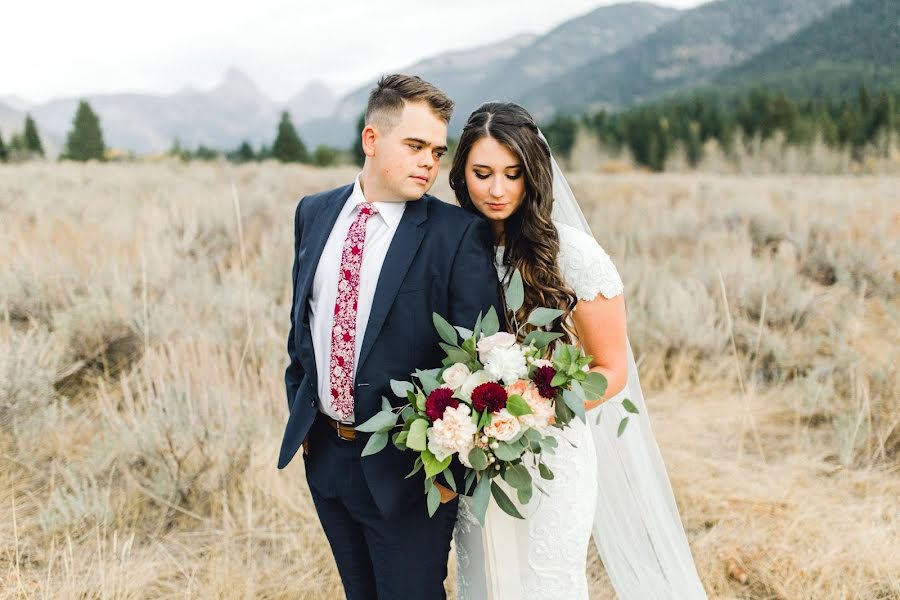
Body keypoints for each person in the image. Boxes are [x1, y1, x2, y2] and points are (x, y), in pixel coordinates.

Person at [450, 102, 708, 599]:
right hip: (475, 453)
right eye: (482, 174)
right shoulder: (453, 248)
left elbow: (611, 369)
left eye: (512, 174)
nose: (497, 190)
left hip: (553, 455)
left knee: (544, 584)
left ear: (534, 175)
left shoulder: (572, 254)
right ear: (462, 173)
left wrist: (533, 413)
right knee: (484, 583)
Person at [276, 75, 504, 600]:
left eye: (437, 151)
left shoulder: (456, 233)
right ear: (372, 141)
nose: (429, 161)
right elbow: (302, 329)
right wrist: (306, 421)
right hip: (327, 459)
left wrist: (450, 473)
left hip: (409, 473)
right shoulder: (314, 212)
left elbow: (480, 359)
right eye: (415, 145)